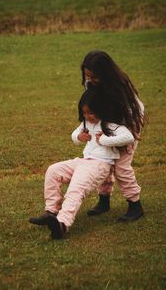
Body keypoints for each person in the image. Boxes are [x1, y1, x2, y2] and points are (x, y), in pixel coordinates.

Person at [29, 90, 134, 239]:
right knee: (53, 171)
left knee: (76, 188)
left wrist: (104, 140)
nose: (86, 116)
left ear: (101, 109)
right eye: (84, 112)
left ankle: (62, 224)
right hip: (83, 161)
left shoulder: (111, 125)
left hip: (100, 165)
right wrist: (79, 137)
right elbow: (74, 135)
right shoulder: (86, 123)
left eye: (90, 112)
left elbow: (128, 137)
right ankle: (51, 212)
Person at [81, 50, 145, 221]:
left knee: (121, 166)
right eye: (87, 76)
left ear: (105, 73)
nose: (90, 81)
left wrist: (119, 135)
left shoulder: (120, 86)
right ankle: (104, 201)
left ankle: (135, 205)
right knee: (103, 160)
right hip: (108, 124)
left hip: (128, 125)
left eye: (94, 77)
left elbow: (131, 113)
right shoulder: (92, 83)